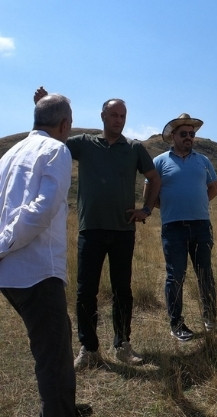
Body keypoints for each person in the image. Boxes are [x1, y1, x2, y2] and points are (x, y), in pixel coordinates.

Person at [34, 87, 161, 369]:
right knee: (85, 291)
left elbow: (154, 178)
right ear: (102, 116)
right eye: (114, 115)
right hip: (89, 230)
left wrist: (146, 209)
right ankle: (89, 349)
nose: (119, 120)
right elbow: (52, 139)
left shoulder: (134, 148)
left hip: (123, 231)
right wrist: (43, 106)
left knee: (122, 290)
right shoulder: (83, 144)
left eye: (123, 115)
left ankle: (122, 344)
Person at [0, 94, 92, 417]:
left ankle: (62, 406)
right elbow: (42, 209)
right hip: (36, 270)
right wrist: (4, 243)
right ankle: (59, 410)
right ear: (65, 124)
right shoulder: (56, 150)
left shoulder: (8, 156)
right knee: (53, 355)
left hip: (9, 274)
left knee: (54, 340)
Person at [146, 113, 217, 341]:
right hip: (173, 227)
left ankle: (210, 318)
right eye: (184, 134)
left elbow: (214, 188)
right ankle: (176, 324)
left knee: (205, 274)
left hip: (201, 226)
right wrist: (171, 206)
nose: (189, 137)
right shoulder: (159, 161)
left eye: (192, 134)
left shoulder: (203, 161)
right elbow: (150, 194)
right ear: (173, 137)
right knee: (175, 276)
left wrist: (196, 204)